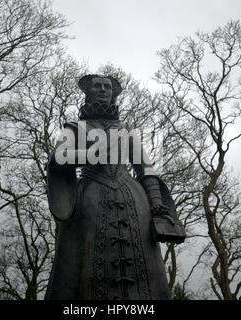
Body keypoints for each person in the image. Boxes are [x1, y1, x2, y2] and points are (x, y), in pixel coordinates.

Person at [45, 74, 183, 300]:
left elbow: (145, 168)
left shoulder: (126, 129)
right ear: (87, 93)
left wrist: (157, 204)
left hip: (133, 199)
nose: (102, 90)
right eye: (97, 86)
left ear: (113, 94)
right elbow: (59, 156)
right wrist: (88, 154)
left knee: (143, 262)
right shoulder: (74, 127)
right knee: (85, 259)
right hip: (90, 196)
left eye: (107, 87)